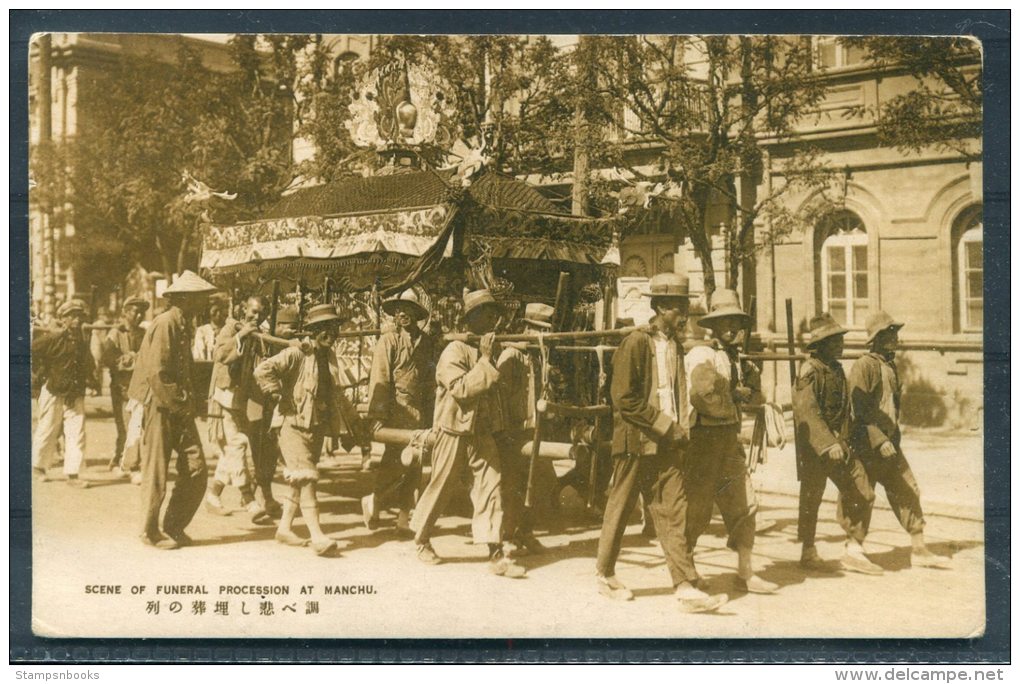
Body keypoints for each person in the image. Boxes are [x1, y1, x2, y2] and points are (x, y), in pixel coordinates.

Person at [594, 273, 727, 613]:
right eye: (679, 308)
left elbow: (676, 395)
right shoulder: (637, 343)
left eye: (685, 307)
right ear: (661, 307)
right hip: (637, 442)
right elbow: (624, 399)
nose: (684, 315)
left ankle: (684, 585)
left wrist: (681, 431)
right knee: (621, 507)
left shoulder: (675, 346)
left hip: (668, 444)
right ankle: (604, 573)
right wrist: (666, 426)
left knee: (673, 509)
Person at [410, 289, 525, 579]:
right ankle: (421, 538)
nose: (493, 320)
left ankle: (495, 552)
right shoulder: (455, 351)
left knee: (490, 485)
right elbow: (461, 390)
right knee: (442, 485)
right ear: (472, 318)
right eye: (486, 314)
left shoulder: (486, 350)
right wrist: (486, 359)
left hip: (481, 431)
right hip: (453, 429)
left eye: (494, 314)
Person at [683, 289, 778, 594]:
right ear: (712, 324)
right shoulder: (702, 354)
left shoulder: (736, 357)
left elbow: (755, 391)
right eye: (724, 322)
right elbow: (701, 394)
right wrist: (733, 394)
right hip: (703, 440)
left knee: (745, 505)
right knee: (697, 510)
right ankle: (686, 572)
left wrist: (749, 386)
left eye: (735, 322)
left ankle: (745, 572)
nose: (731, 328)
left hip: (728, 440)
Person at [255, 303, 367, 556]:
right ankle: (317, 536)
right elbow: (263, 370)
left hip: (315, 426)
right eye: (324, 329)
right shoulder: (297, 354)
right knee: (307, 478)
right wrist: (275, 393)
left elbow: (337, 393)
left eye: (335, 328)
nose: (331, 334)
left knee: (299, 480)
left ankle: (284, 528)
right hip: (292, 425)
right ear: (314, 331)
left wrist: (354, 420)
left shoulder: (330, 357)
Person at [849, 311, 951, 569]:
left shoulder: (890, 365)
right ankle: (852, 549)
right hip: (867, 444)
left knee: (907, 488)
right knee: (862, 494)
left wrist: (891, 437)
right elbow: (858, 409)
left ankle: (918, 549)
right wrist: (878, 438)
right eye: (888, 333)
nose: (894, 337)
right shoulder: (864, 366)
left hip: (889, 444)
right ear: (877, 338)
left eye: (895, 332)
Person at [130, 271, 218, 549]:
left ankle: (173, 526)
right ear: (184, 299)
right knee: (156, 471)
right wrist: (181, 405)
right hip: (160, 405)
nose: (205, 302)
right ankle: (149, 530)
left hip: (178, 407)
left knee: (196, 470)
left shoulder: (183, 325)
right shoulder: (166, 323)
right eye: (200, 297)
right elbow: (159, 374)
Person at [793, 312, 879, 574]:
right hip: (816, 449)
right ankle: (808, 550)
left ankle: (854, 548)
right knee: (812, 499)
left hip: (839, 447)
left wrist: (846, 439)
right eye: (834, 340)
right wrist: (827, 444)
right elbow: (806, 410)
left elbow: (844, 410)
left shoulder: (837, 369)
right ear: (820, 345)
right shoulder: (810, 371)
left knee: (863, 489)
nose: (840, 344)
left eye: (840, 339)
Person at [362, 289, 436, 537]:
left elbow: (429, 381)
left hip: (419, 413)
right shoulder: (389, 341)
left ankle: (403, 518)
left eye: (408, 309)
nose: (402, 313)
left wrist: (432, 415)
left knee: (415, 464)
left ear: (417, 313)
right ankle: (374, 501)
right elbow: (380, 378)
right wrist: (378, 416)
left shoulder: (426, 342)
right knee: (393, 463)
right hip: (396, 412)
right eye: (398, 310)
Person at [204, 295, 274, 522]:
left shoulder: (257, 334)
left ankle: (213, 496)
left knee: (233, 449)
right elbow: (221, 354)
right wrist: (241, 335)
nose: (256, 317)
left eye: (261, 314)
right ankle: (248, 499)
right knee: (238, 445)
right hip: (224, 397)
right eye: (253, 312)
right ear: (244, 309)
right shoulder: (230, 328)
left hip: (240, 399)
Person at [495, 302, 556, 556]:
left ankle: (526, 531)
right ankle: (507, 536)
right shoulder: (511, 356)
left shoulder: (539, 357)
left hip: (534, 429)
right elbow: (500, 396)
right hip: (512, 432)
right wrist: (505, 432)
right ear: (527, 329)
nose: (541, 336)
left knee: (541, 481)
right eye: (537, 330)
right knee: (512, 486)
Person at [32, 298, 98, 489]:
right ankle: (38, 467)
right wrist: (40, 372)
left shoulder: (82, 342)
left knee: (77, 433)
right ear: (64, 319)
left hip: (75, 393)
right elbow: (31, 352)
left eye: (79, 316)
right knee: (47, 428)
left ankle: (72, 474)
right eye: (72, 317)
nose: (77, 320)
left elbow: (88, 363)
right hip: (53, 391)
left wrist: (93, 382)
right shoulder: (53, 338)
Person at [101, 296, 150, 477]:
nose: (138, 316)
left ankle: (122, 460)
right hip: (121, 388)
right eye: (134, 311)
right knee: (125, 425)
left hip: (138, 387)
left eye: (141, 312)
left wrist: (135, 358)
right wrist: (129, 359)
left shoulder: (143, 334)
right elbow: (107, 357)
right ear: (126, 312)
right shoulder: (116, 334)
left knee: (136, 425)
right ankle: (128, 464)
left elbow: (147, 357)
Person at [192, 294, 229, 361]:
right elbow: (199, 355)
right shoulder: (202, 331)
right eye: (215, 311)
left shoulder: (227, 330)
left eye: (221, 310)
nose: (218, 314)